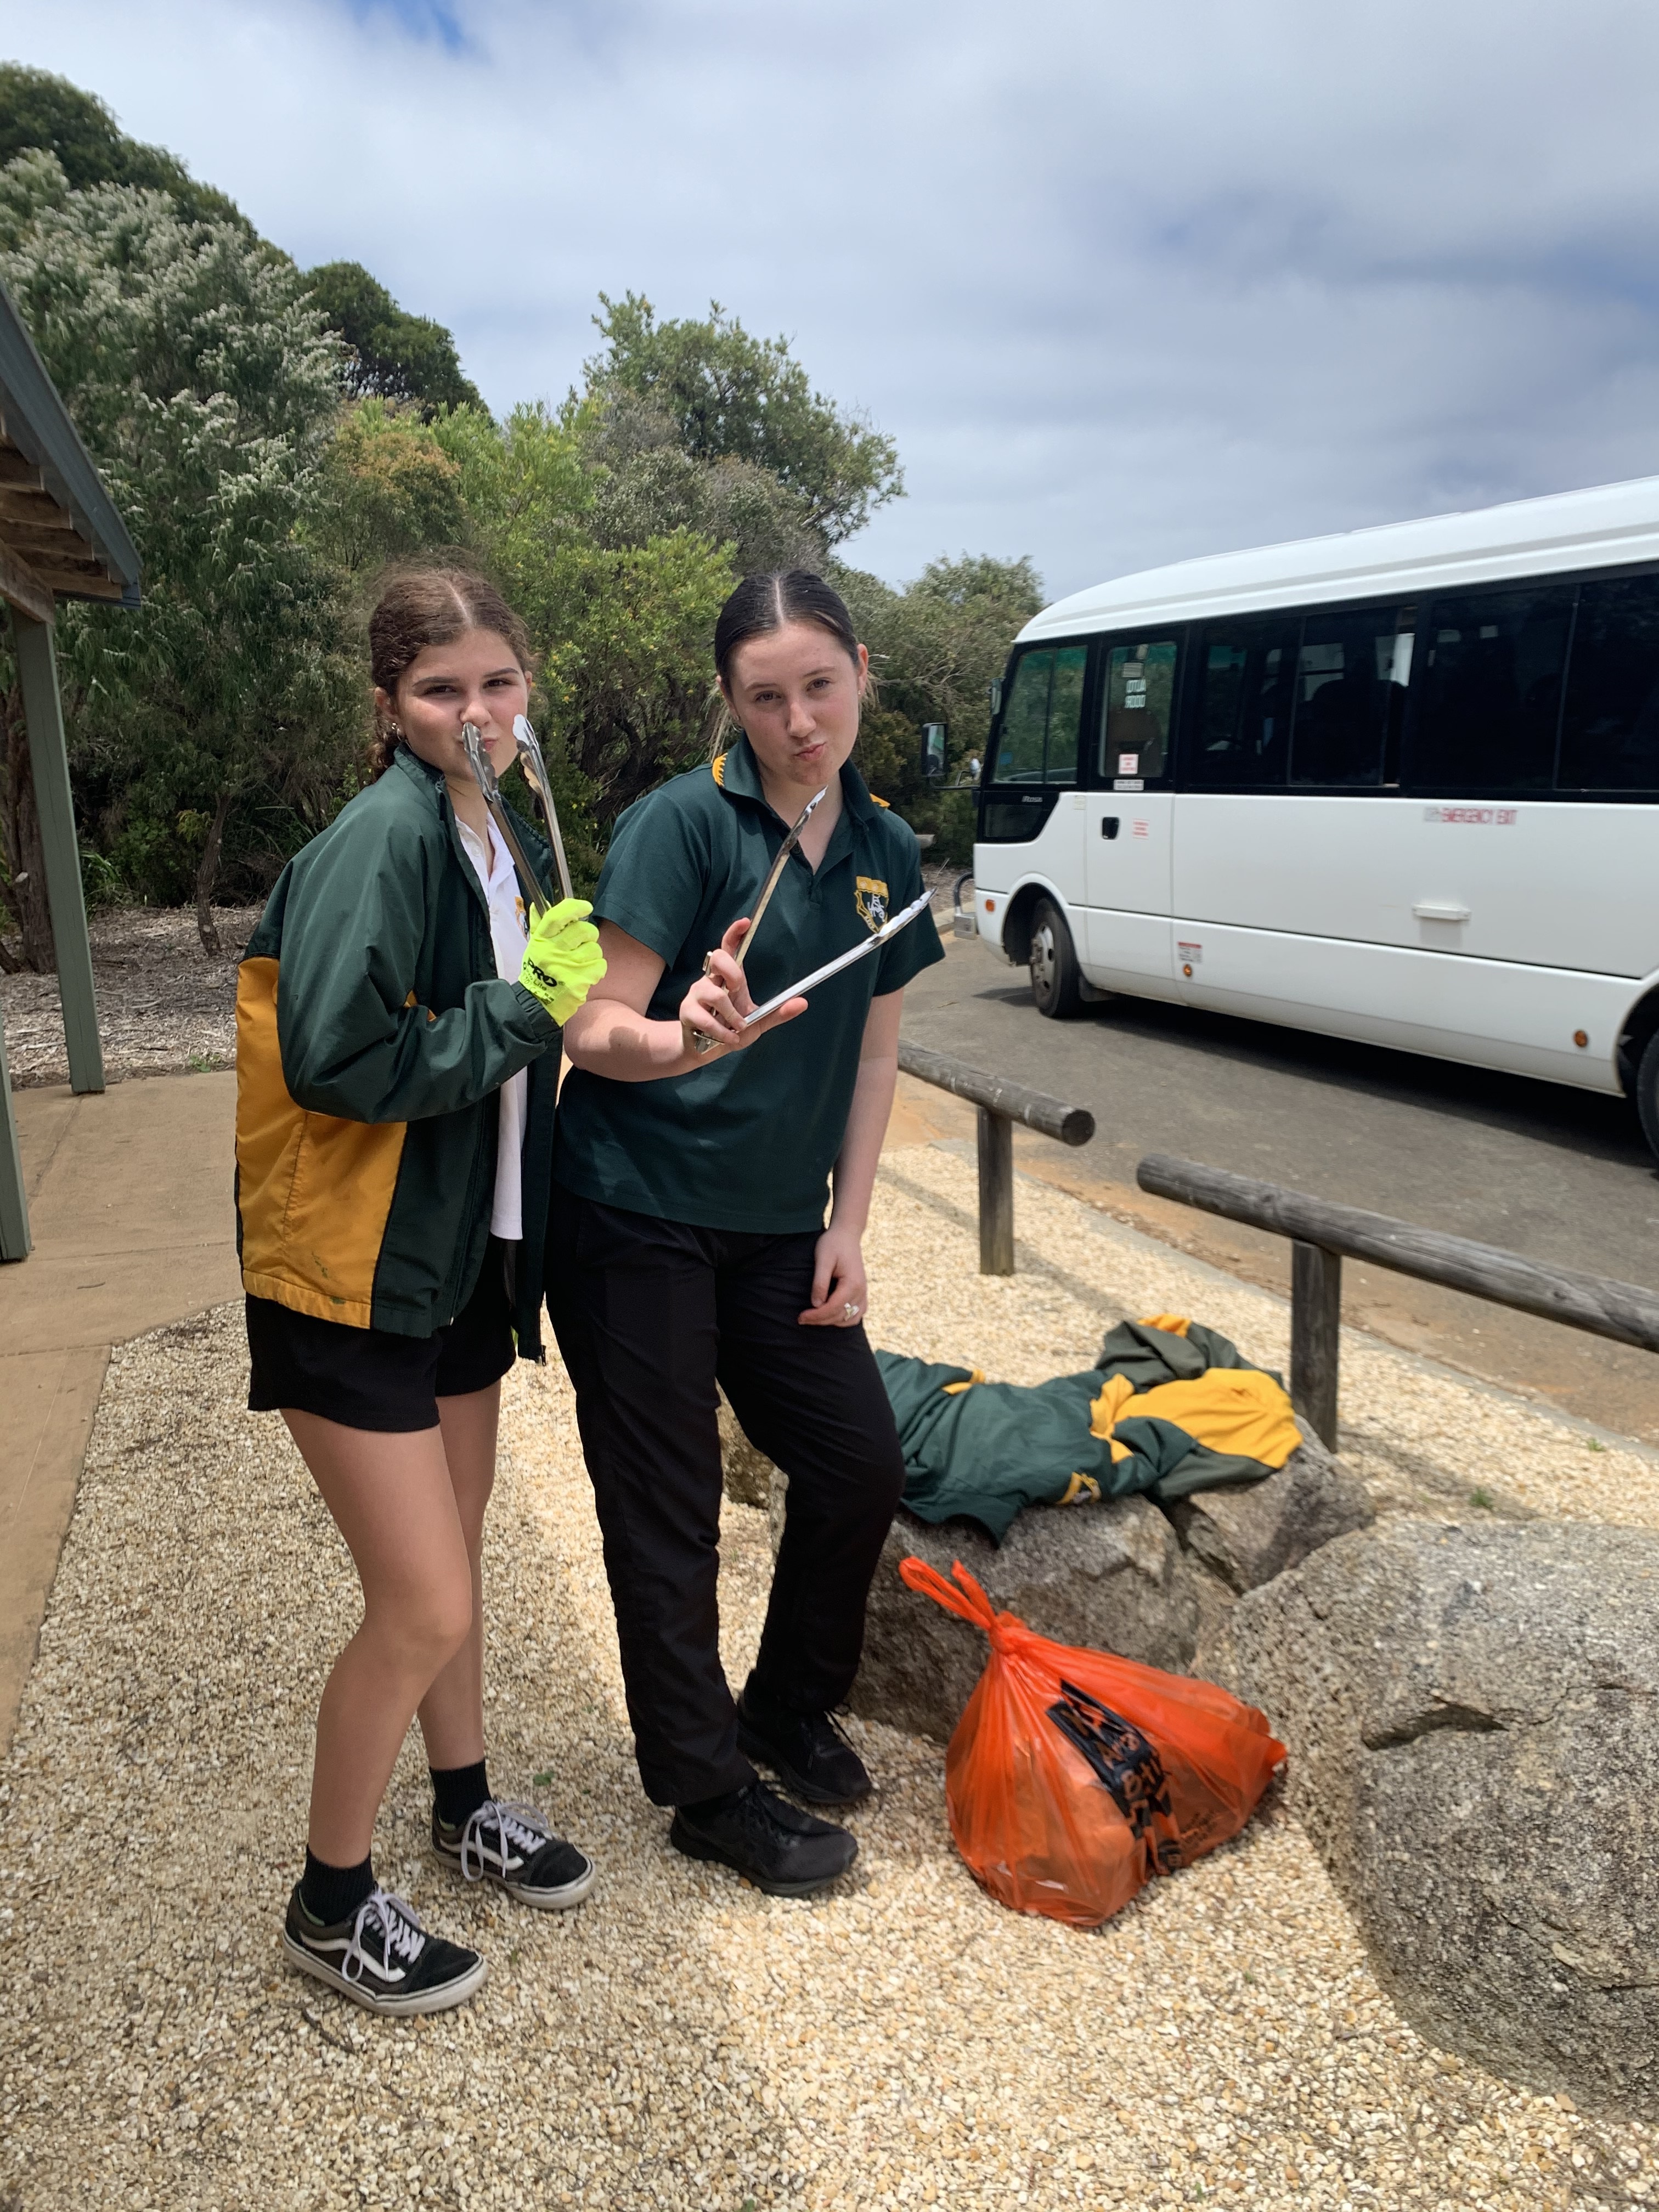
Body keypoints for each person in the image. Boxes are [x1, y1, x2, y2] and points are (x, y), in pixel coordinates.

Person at [235, 568, 606, 2015]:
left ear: (527, 686)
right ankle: (330, 1906)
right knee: (423, 1603)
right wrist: (525, 1009)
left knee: (453, 1564)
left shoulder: (499, 829)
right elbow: (336, 1056)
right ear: (390, 705)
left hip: (460, 1254)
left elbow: (528, 1027)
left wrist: (592, 1014)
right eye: (443, 690)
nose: (476, 712)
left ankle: (463, 1806)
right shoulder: (384, 840)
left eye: (498, 683)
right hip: (351, 1271)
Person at [552, 569, 946, 1897]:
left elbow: (875, 1055)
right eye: (766, 699)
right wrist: (682, 1037)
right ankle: (705, 1787)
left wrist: (851, 1225)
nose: (799, 723)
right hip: (634, 1209)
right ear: (731, 704)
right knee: (667, 1510)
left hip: (780, 1226)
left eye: (820, 687)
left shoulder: (887, 851)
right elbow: (592, 1030)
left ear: (862, 672)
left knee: (857, 1464)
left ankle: (782, 1704)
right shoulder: (682, 824)